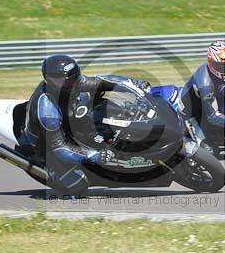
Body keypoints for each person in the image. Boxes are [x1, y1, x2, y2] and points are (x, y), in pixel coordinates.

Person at [22, 54, 148, 196]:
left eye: (72, 78)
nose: (68, 84)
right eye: (60, 81)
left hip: (67, 119)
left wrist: (134, 84)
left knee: (96, 100)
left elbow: (101, 81)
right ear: (48, 80)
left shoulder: (74, 82)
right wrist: (94, 156)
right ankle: (53, 172)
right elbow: (59, 147)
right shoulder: (47, 111)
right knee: (78, 185)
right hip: (48, 145)